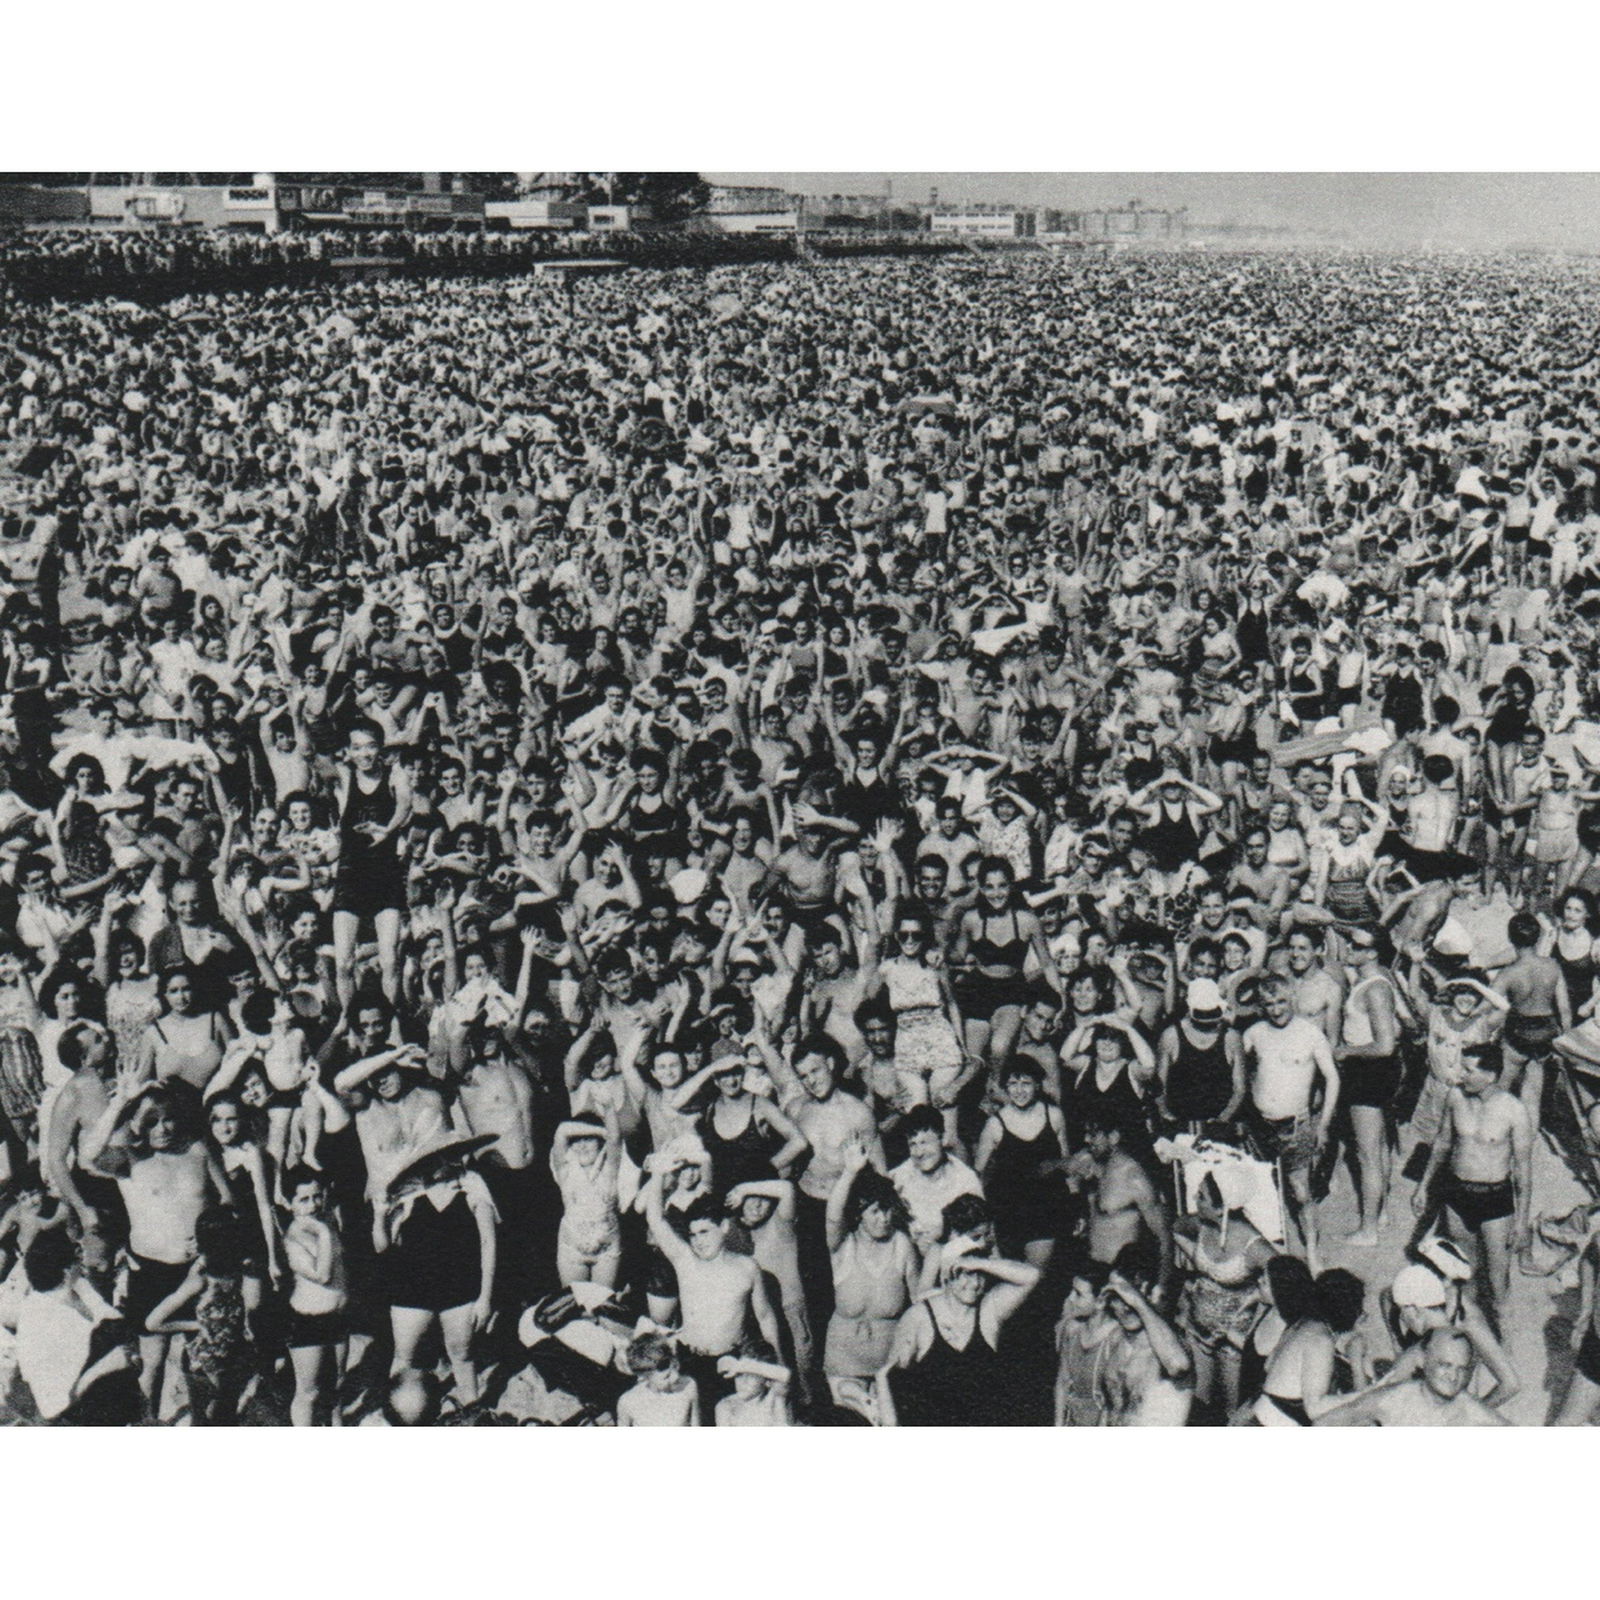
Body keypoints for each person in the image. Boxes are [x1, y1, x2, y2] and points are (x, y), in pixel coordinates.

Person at [1415, 1043, 1532, 1329]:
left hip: (1495, 1200)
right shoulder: (1455, 1097)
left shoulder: (1514, 1110)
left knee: (1497, 1281)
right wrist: (1423, 1186)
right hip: (1457, 1195)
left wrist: (1522, 1221)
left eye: (1468, 1070)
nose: (1460, 1075)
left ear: (1490, 1075)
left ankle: (1504, 1344)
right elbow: (1442, 1144)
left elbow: (1523, 1170)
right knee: (1464, 1273)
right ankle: (1468, 1335)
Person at [876, 1235, 1040, 1426]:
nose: (975, 1283)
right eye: (966, 1274)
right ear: (947, 1277)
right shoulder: (919, 1317)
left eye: (980, 1275)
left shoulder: (989, 1311)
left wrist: (978, 1262)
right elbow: (891, 1378)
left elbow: (1032, 1276)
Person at [1241, 975, 1340, 1269]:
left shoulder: (1310, 1034)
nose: (1276, 1010)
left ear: (1292, 999)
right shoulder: (1254, 1033)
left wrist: (1323, 1124)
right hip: (1259, 1125)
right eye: (1269, 1004)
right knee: (1261, 1189)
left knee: (1300, 1191)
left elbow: (1332, 1079)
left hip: (1296, 1125)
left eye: (1281, 1002)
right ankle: (1272, 1255)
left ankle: (1312, 1254)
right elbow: (1236, 1070)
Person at [1315, 1328, 1508, 1426]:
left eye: (1462, 1368)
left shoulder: (1473, 1413)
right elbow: (1324, 1423)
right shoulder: (1393, 1398)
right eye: (1445, 1365)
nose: (1453, 1376)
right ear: (1423, 1360)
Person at [281, 1167, 350, 1427]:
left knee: (337, 1383)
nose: (313, 1205)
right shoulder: (293, 1240)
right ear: (289, 1203)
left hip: (338, 1316)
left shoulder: (328, 1219)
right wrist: (323, 1232)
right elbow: (322, 1275)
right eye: (304, 1199)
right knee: (309, 1392)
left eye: (317, 1196)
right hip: (307, 1321)